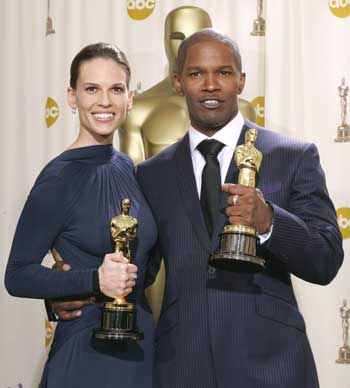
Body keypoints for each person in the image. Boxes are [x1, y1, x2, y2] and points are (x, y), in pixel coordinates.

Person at [49, 29, 343, 387]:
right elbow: (134, 269)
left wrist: (269, 222)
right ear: (177, 82)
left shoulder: (292, 156)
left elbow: (326, 259)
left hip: (272, 363)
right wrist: (72, 289)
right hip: (181, 364)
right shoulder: (150, 174)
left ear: (241, 80)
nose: (210, 85)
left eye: (223, 72)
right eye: (195, 74)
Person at [5, 43, 157, 388]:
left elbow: (143, 267)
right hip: (87, 359)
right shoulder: (58, 178)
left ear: (129, 98)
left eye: (115, 89)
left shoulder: (128, 168)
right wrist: (91, 281)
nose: (105, 101)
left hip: (142, 353)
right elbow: (17, 275)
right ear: (72, 97)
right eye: (92, 89)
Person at [119, 5, 256, 321]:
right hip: (160, 235)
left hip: (229, 235)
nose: (183, 45)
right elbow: (132, 189)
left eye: (192, 36)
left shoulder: (244, 110)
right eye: (176, 36)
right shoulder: (139, 109)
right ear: (165, 40)